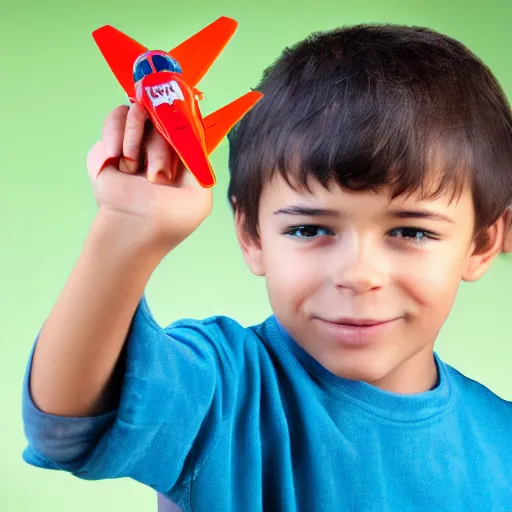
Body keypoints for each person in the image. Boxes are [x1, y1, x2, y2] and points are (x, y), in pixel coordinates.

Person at [22, 23, 512, 511]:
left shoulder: (502, 442)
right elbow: (65, 422)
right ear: (252, 235)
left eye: (411, 232)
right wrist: (125, 230)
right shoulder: (220, 391)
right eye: (309, 229)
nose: (359, 275)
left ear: (483, 242)